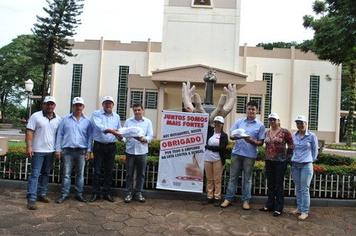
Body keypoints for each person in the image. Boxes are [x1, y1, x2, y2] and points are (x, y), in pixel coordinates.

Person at [221, 100, 265, 210]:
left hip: (250, 155)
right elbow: (231, 136)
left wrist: (251, 140)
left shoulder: (260, 125)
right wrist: (238, 136)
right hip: (237, 153)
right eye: (249, 108)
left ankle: (246, 201)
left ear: (257, 111)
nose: (251, 111)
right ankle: (228, 199)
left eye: (253, 109)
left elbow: (261, 142)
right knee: (232, 177)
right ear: (246, 110)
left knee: (247, 179)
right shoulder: (239, 122)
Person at [26, 96, 61, 210]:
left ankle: (42, 194)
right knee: (35, 174)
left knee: (46, 174)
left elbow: (58, 136)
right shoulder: (36, 116)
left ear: (54, 106)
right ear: (43, 105)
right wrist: (29, 147)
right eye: (47, 104)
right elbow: (29, 132)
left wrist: (57, 150)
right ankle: (31, 198)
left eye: (52, 104)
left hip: (50, 152)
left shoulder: (58, 119)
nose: (50, 106)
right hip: (38, 151)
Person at [55, 97, 92, 203]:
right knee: (66, 174)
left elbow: (90, 137)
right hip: (67, 151)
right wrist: (58, 150)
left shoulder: (87, 121)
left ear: (83, 107)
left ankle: (79, 194)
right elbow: (60, 135)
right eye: (76, 105)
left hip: (81, 151)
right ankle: (64, 194)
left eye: (80, 105)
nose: (78, 107)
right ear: (72, 106)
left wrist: (89, 151)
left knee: (80, 174)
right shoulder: (65, 119)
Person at [259, 113, 294, 216]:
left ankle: (278, 208)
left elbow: (291, 145)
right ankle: (270, 205)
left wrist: (287, 158)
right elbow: (266, 146)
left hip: (280, 162)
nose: (272, 122)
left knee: (278, 185)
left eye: (274, 120)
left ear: (278, 121)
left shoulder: (284, 132)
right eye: (270, 120)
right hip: (269, 161)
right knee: (270, 184)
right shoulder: (267, 132)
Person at [90, 96, 123, 202]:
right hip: (99, 145)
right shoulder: (96, 114)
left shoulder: (116, 116)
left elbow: (119, 130)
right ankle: (95, 193)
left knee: (109, 170)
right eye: (106, 103)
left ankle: (107, 193)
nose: (108, 105)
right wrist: (114, 132)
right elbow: (100, 128)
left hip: (111, 146)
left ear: (113, 105)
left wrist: (121, 136)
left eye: (110, 103)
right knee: (97, 171)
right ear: (103, 104)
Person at [123, 103, 153, 203]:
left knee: (141, 174)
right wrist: (121, 138)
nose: (137, 112)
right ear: (133, 111)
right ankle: (128, 193)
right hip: (130, 151)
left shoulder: (148, 122)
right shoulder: (128, 121)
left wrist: (145, 139)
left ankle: (138, 193)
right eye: (135, 110)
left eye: (139, 110)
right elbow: (124, 135)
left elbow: (150, 136)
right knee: (129, 174)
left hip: (142, 151)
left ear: (142, 110)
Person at [291, 115, 318, 220]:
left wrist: (311, 159)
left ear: (306, 124)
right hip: (295, 165)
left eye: (302, 122)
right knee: (298, 188)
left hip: (306, 165)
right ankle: (299, 208)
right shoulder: (294, 135)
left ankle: (305, 211)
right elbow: (292, 148)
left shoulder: (312, 136)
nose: (300, 125)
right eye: (298, 123)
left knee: (304, 189)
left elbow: (315, 150)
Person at [202, 116, 228, 207]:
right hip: (207, 159)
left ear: (222, 125)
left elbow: (221, 148)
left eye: (219, 123)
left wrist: (209, 147)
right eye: (216, 122)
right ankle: (209, 196)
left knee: (217, 180)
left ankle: (217, 197)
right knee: (209, 179)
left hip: (218, 159)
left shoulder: (224, 135)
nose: (217, 124)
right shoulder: (209, 132)